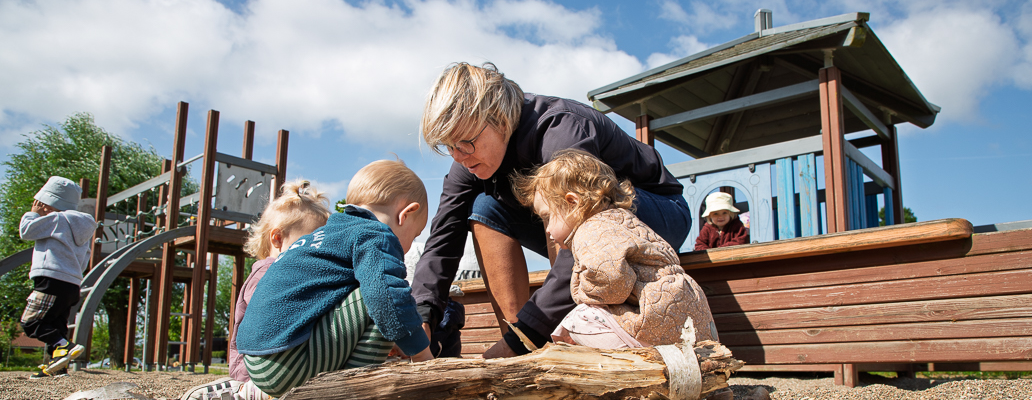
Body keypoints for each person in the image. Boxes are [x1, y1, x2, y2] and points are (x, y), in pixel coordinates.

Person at [412, 62, 692, 358]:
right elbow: (444, 237)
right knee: (485, 207)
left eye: (466, 143)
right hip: (586, 225)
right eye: (449, 146)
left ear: (500, 120)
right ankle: (519, 341)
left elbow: (584, 215)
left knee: (562, 199)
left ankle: (534, 339)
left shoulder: (560, 128)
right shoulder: (466, 158)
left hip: (659, 211)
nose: (458, 157)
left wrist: (531, 332)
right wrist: (421, 315)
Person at [236, 160, 433, 397]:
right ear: (406, 214)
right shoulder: (375, 234)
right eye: (415, 235)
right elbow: (385, 299)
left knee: (378, 294)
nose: (410, 246)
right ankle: (351, 392)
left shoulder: (328, 233)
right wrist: (421, 354)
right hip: (286, 362)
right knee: (387, 295)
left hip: (257, 360)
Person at [513, 149, 718, 349]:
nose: (547, 229)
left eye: (547, 217)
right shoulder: (623, 220)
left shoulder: (591, 230)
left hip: (658, 320)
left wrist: (580, 291)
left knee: (577, 319)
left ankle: (633, 359)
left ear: (573, 203)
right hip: (690, 316)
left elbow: (612, 283)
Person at [179, 179, 331, 400]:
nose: (317, 252)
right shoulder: (266, 273)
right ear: (277, 239)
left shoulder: (292, 274)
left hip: (279, 363)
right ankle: (234, 392)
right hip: (252, 369)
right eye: (309, 244)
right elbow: (270, 315)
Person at [19, 176, 98, 379]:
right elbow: (85, 257)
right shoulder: (83, 226)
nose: (41, 208)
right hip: (72, 283)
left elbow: (26, 231)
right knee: (56, 325)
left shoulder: (56, 219)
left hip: (50, 279)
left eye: (42, 204)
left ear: (50, 203)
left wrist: (33, 214)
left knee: (31, 321)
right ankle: (58, 368)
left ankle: (65, 346)